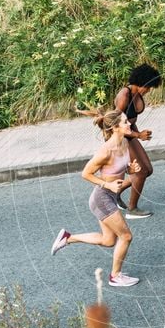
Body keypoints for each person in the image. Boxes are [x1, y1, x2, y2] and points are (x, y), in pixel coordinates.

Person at [51, 109, 142, 287]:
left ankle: (67, 238)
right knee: (126, 236)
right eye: (124, 122)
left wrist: (131, 170)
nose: (129, 123)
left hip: (108, 197)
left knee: (108, 240)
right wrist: (107, 185)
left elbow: (121, 169)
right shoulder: (105, 151)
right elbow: (85, 173)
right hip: (102, 198)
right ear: (115, 128)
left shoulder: (123, 143)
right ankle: (115, 276)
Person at [114, 64, 162, 218]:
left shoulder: (137, 94)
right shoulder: (124, 96)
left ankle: (114, 191)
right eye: (148, 87)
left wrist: (137, 133)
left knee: (148, 170)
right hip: (119, 137)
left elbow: (130, 120)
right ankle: (132, 210)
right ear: (140, 82)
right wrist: (138, 135)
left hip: (130, 134)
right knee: (140, 172)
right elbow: (115, 125)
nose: (148, 91)